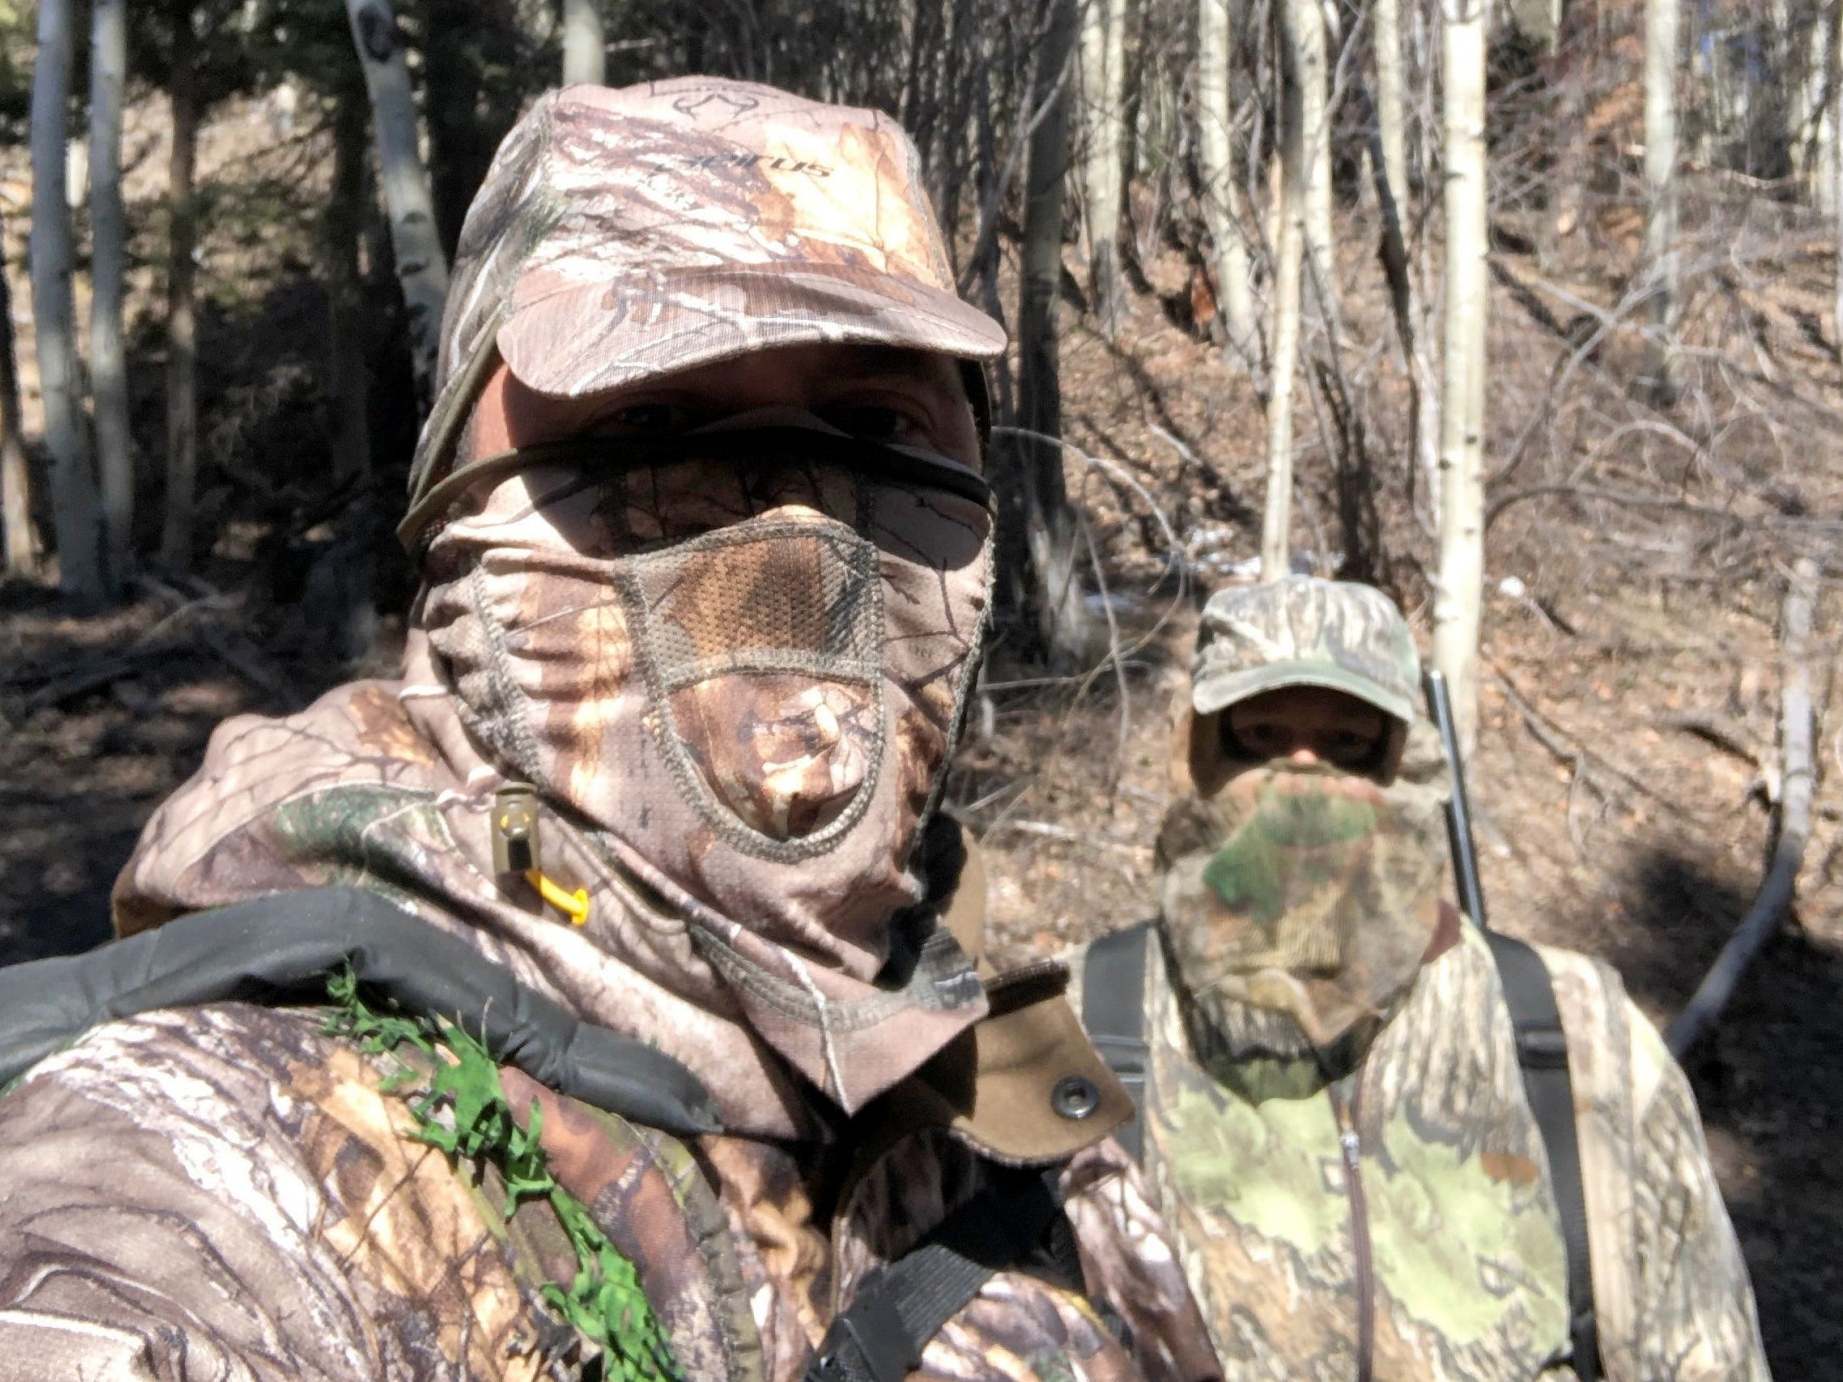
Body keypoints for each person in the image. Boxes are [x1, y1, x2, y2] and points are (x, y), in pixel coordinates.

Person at [0, 80, 1222, 1381]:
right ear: (447, 532)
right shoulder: (218, 1167)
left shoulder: (1012, 1117)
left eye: (873, 427)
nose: (788, 526)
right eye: (650, 422)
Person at [1068, 575, 1771, 1380]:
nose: (1302, 785)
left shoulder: (1573, 1036)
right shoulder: (1077, 1026)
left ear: (1413, 764)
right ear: (1197, 756)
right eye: (1259, 737)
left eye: (1349, 746)